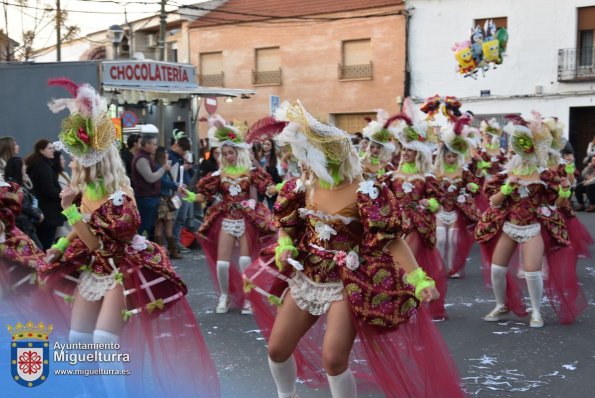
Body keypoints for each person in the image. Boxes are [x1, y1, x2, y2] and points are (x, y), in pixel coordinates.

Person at [243, 100, 464, 398]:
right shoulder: (303, 186)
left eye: (310, 154)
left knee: (333, 359)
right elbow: (287, 222)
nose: (304, 161)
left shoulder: (367, 191)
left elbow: (392, 239)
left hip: (349, 279)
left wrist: (418, 278)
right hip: (308, 273)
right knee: (277, 349)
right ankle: (287, 395)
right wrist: (284, 245)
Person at [39, 78, 219, 397]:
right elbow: (86, 239)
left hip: (122, 268)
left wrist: (69, 211)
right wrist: (61, 245)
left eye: (75, 155)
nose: (69, 160)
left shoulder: (120, 195)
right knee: (78, 340)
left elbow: (98, 242)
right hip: (97, 268)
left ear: (90, 160)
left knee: (104, 342)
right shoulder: (89, 191)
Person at [475, 113, 586, 328]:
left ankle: (536, 311)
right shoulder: (507, 173)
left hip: (533, 228)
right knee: (497, 269)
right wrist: (508, 187)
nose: (526, 151)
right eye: (521, 145)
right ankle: (501, 305)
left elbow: (560, 204)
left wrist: (565, 191)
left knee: (532, 272)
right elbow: (494, 202)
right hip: (510, 226)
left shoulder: (545, 176)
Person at [180, 114, 276, 315]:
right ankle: (225, 296)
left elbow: (268, 188)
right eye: (224, 153)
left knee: (244, 261)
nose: (227, 156)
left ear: (238, 152)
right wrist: (188, 195)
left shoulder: (251, 172)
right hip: (226, 218)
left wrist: (280, 188)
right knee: (222, 263)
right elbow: (203, 196)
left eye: (230, 152)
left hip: (247, 217)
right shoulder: (218, 175)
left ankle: (249, 298)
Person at [383, 99, 448, 320]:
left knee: (409, 266)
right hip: (396, 224)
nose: (405, 153)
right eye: (404, 149)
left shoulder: (428, 177)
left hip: (418, 225)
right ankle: (401, 304)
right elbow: (383, 195)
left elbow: (438, 202)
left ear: (418, 152)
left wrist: (426, 204)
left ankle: (414, 304)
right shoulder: (392, 175)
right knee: (394, 265)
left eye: (410, 150)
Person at [433, 117, 481, 277]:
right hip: (440, 209)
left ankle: (453, 268)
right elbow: (430, 188)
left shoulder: (463, 171)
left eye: (454, 156)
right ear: (444, 156)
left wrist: (471, 186)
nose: (451, 159)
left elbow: (475, 186)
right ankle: (441, 267)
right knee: (440, 239)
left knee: (453, 240)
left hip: (456, 210)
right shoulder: (437, 172)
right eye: (449, 156)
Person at [25, 139, 64, 249]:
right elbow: (48, 189)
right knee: (46, 243)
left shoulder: (38, 163)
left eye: (53, 148)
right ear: (41, 150)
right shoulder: (43, 166)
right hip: (48, 212)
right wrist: (62, 196)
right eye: (50, 148)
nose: (53, 151)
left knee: (43, 242)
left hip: (43, 209)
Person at [131, 134, 172, 236]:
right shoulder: (141, 159)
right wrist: (163, 169)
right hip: (146, 199)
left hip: (150, 198)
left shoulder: (146, 157)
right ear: (147, 145)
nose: (156, 147)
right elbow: (150, 178)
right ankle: (141, 249)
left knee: (148, 228)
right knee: (144, 228)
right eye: (154, 144)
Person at [3, 157, 44, 248]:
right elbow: (23, 205)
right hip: (22, 226)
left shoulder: (15, 184)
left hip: (24, 225)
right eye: (23, 165)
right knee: (37, 249)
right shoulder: (13, 186)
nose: (26, 167)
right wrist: (38, 215)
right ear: (18, 168)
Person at [154, 146, 182, 259]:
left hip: (159, 199)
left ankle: (158, 252)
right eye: (165, 153)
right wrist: (176, 185)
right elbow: (164, 182)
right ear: (162, 155)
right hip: (165, 198)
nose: (167, 155)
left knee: (159, 226)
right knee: (168, 226)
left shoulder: (156, 166)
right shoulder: (161, 167)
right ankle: (172, 250)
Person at [168, 133, 194, 253]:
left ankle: (176, 241)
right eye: (182, 150)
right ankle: (170, 243)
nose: (183, 153)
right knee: (174, 218)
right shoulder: (170, 156)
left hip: (185, 190)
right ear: (177, 145)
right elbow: (170, 173)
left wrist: (188, 166)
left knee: (182, 218)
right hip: (175, 191)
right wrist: (181, 167)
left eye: (185, 151)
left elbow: (191, 174)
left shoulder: (181, 157)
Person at [360, 110, 396, 181]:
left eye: (378, 147)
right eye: (372, 147)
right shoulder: (364, 160)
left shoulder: (386, 162)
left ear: (383, 149)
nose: (375, 149)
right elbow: (372, 171)